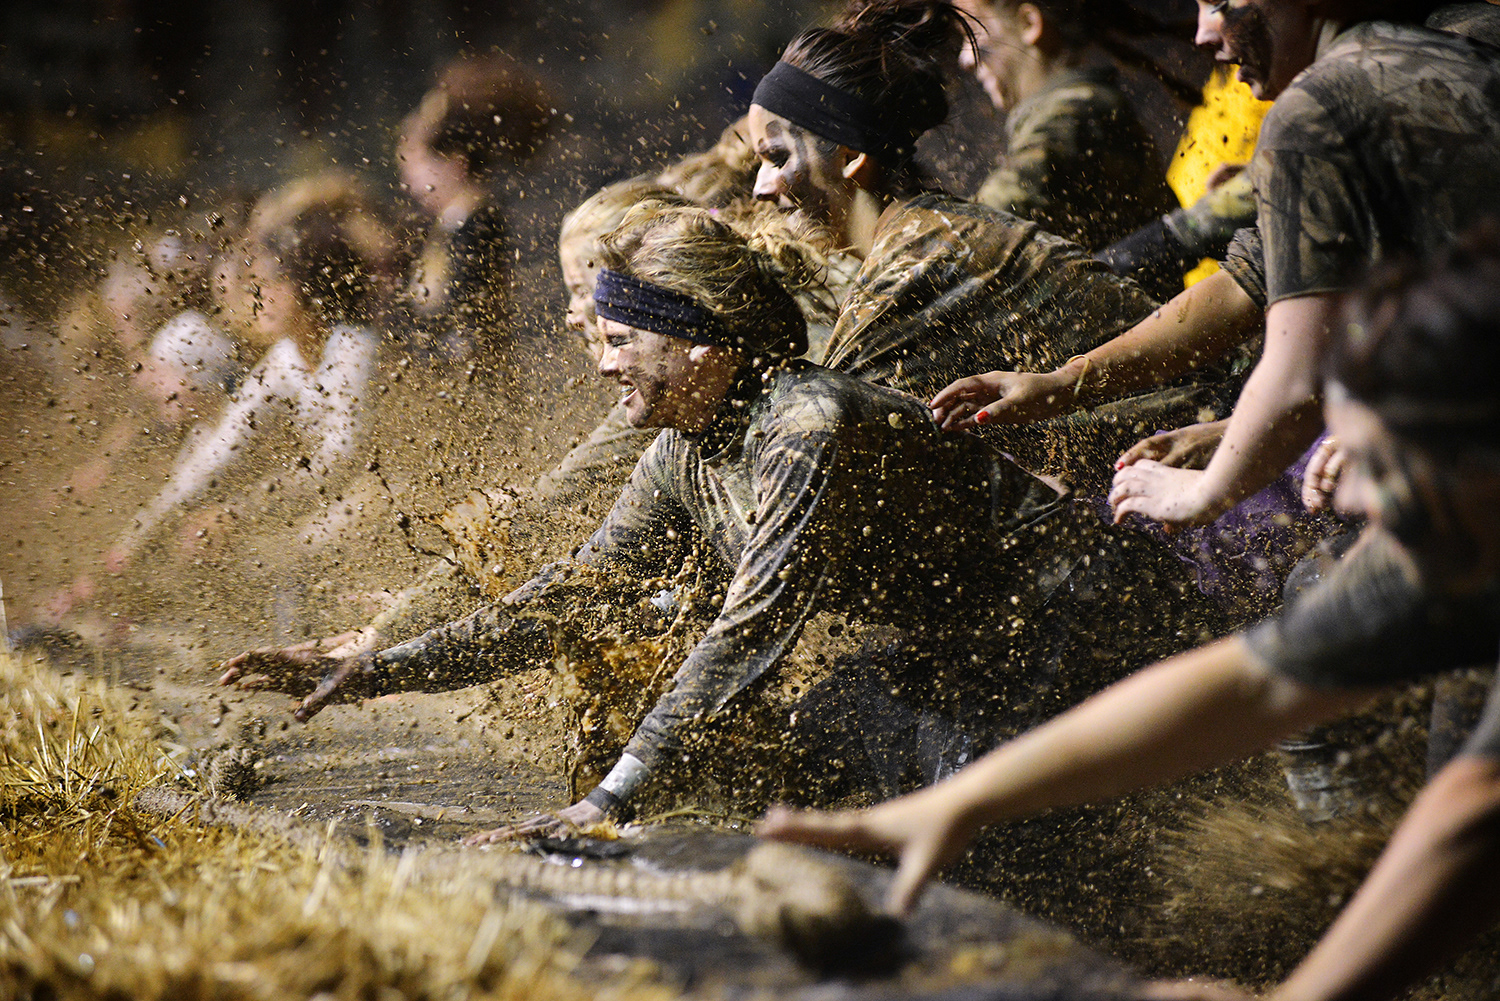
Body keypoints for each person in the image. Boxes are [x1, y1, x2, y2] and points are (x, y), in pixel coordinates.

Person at [222, 204, 1215, 840]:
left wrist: (605, 802)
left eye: (620, 337)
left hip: (1085, 613)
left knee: (940, 796)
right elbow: (572, 592)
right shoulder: (687, 446)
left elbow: (749, 628)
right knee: (828, 753)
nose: (601, 362)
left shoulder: (807, 424)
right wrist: (379, 670)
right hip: (976, 642)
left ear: (699, 343)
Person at [762, 225, 1500, 1001]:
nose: (1343, 499)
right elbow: (1255, 682)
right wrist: (963, 801)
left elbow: (1474, 817)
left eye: (1374, 466)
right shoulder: (1453, 526)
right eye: (1333, 453)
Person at [930, 0, 1500, 531]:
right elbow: (1247, 284)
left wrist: (1204, 492)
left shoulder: (1320, 105)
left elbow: (1297, 374)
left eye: (1221, 3)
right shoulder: (1455, 41)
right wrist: (1063, 382)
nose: (1203, 31)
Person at [748, 0, 1239, 491]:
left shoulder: (919, 264)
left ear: (852, 155)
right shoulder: (924, 234)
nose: (760, 189)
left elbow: (817, 437)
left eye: (775, 158)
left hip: (1217, 469)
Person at [106, 174, 397, 573]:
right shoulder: (285, 357)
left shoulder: (356, 349)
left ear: (309, 284)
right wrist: (133, 543)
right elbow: (219, 452)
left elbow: (340, 460)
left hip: (388, 501)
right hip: (344, 500)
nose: (257, 296)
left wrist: (240, 513)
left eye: (273, 281)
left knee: (279, 553)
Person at [959, 0, 1179, 254]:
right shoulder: (1081, 108)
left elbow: (978, 232)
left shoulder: (1075, 114)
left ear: (1029, 23)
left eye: (972, 34)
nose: (965, 58)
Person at [396, 51, 552, 366]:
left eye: (415, 163)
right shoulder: (458, 225)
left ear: (455, 164)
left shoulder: (477, 225)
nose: (408, 183)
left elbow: (468, 327)